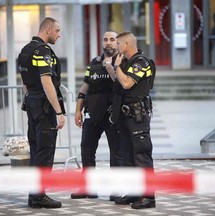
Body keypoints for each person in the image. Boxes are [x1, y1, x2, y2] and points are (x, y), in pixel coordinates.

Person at [18, 17, 65, 209]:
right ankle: (39, 196)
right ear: (47, 30)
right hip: (44, 106)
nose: (59, 34)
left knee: (37, 150)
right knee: (45, 151)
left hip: (32, 103)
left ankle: (34, 195)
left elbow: (24, 82)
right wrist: (59, 111)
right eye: (57, 31)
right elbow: (47, 82)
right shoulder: (42, 51)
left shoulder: (25, 50)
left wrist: (30, 99)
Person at [71, 31, 123, 201]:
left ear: (118, 43)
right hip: (91, 114)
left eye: (112, 40)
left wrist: (110, 67)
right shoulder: (94, 62)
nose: (108, 43)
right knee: (86, 149)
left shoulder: (122, 61)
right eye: (105, 39)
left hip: (111, 115)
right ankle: (88, 187)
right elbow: (84, 87)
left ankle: (116, 188)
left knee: (115, 152)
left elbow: (122, 85)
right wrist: (78, 110)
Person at [111, 31, 156, 209]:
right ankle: (134, 192)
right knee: (127, 156)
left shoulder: (142, 63)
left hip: (138, 117)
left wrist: (116, 67)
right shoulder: (126, 63)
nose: (116, 47)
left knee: (142, 156)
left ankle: (148, 197)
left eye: (119, 44)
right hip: (125, 116)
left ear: (127, 45)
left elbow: (127, 83)